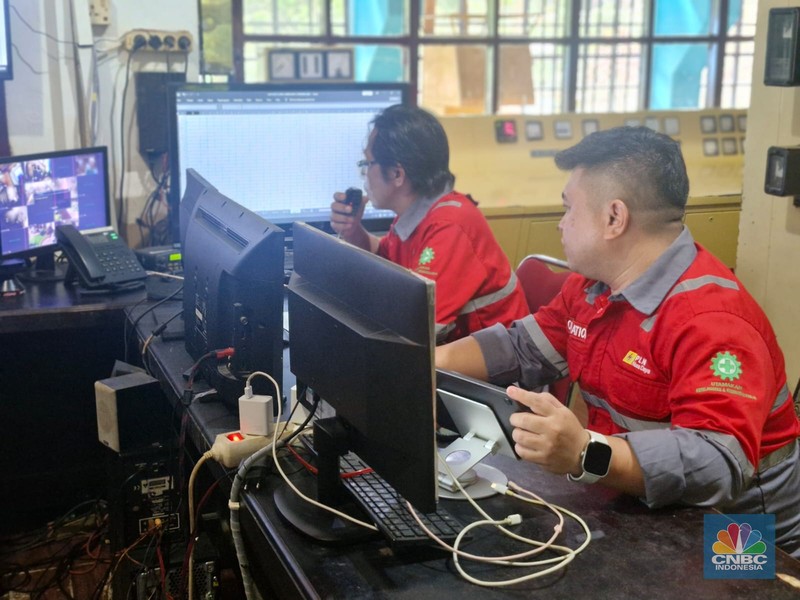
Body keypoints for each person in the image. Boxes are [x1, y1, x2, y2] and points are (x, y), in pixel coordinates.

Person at [435, 126, 800, 557]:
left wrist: (585, 453)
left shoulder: (712, 321)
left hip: (744, 539)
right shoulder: (593, 286)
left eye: (569, 208)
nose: (561, 223)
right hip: (643, 502)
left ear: (614, 218)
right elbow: (522, 347)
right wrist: (426, 361)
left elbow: (715, 464)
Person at [330, 104, 529, 344]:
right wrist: (353, 231)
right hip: (455, 349)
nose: (364, 174)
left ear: (397, 174)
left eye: (367, 164)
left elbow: (417, 327)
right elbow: (384, 257)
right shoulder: (415, 212)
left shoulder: (450, 226)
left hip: (498, 363)